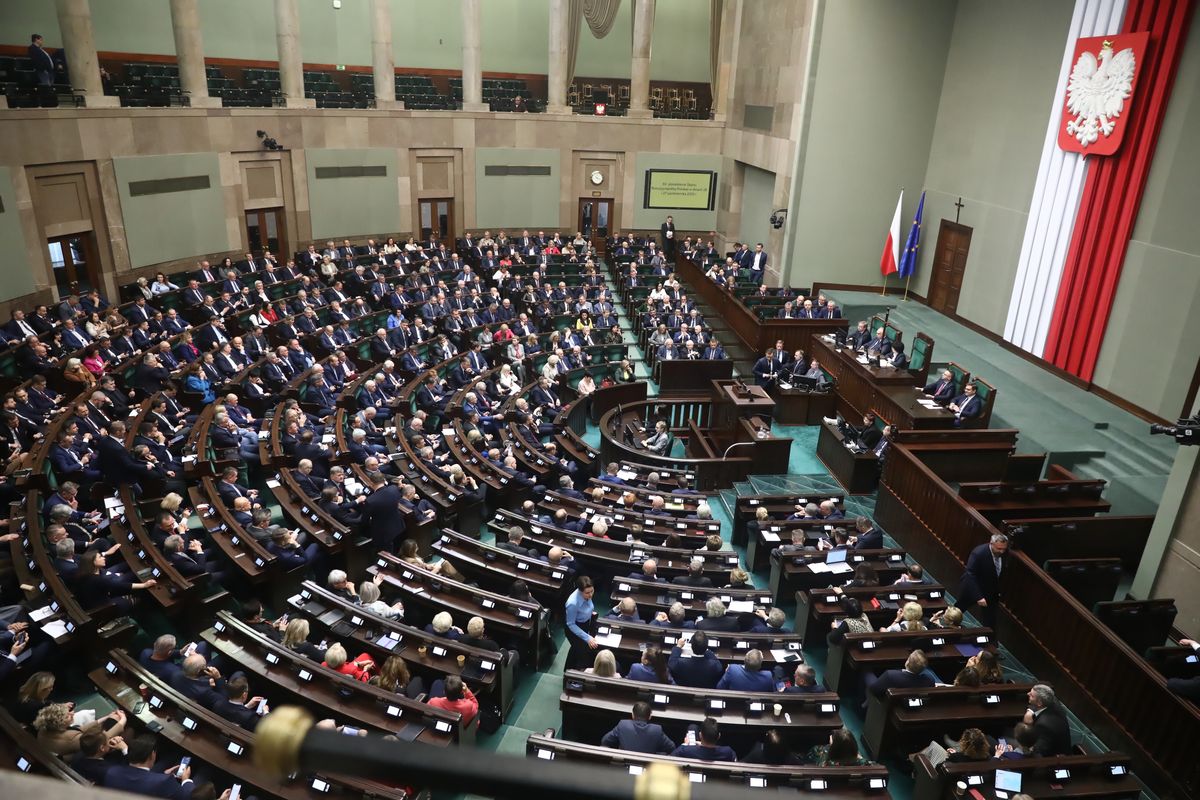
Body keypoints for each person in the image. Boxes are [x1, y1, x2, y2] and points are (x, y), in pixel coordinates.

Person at [103, 734, 195, 799]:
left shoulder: (111, 772)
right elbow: (187, 797)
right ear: (153, 754)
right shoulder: (164, 781)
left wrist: (163, 774)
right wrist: (186, 780)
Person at [958, 533, 1008, 628]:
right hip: (973, 587)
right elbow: (970, 574)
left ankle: (990, 636)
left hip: (991, 591)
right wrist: (978, 596)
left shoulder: (1004, 553)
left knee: (990, 620)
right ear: (991, 543)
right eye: (999, 548)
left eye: (1004, 549)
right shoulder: (979, 553)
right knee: (959, 609)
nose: (1002, 551)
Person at [601, 701, 676, 754]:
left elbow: (605, 741)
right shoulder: (656, 730)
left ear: (632, 715)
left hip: (623, 765)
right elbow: (672, 747)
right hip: (647, 767)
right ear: (650, 716)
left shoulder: (623, 724)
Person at [865, 650, 935, 700]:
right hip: (899, 703)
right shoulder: (929, 680)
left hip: (884, 704)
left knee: (865, 670)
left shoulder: (890, 675)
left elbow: (874, 689)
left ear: (907, 662)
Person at [1024, 683, 1072, 755]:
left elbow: (1037, 751)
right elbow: (1037, 703)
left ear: (1039, 703)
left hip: (1054, 757)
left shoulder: (1044, 725)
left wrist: (1022, 748)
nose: (1028, 694)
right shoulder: (1052, 700)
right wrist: (1030, 712)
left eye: (1031, 695)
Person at [565, 576, 597, 669]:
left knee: (576, 649)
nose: (590, 595)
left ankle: (568, 669)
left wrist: (590, 613)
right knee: (583, 652)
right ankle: (575, 674)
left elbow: (588, 606)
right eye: (587, 593)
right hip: (574, 628)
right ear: (580, 591)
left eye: (592, 591)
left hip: (585, 623)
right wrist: (587, 638)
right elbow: (570, 624)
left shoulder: (587, 593)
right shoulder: (572, 603)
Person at [670, 718, 736, 761]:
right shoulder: (727, 752)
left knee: (692, 727)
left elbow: (671, 757)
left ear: (700, 735)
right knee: (693, 727)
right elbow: (734, 758)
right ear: (719, 736)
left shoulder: (685, 750)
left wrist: (685, 744)